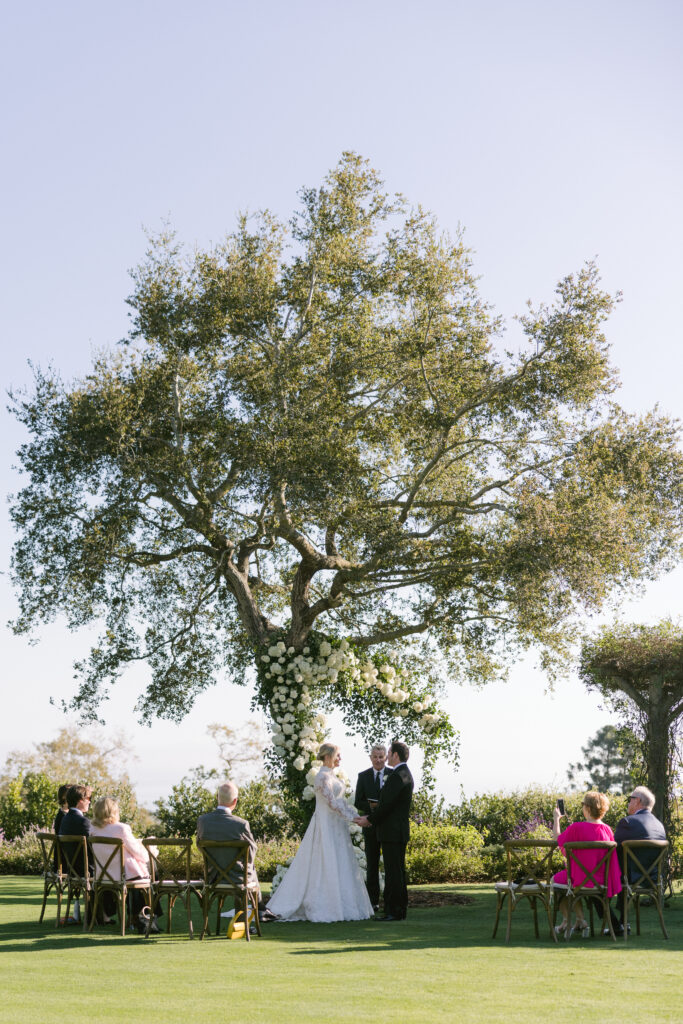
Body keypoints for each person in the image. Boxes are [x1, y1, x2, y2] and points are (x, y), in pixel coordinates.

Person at [266, 744, 374, 922]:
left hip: (338, 826)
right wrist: (354, 819)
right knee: (324, 861)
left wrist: (358, 817)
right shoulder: (322, 777)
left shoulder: (333, 777)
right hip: (325, 825)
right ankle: (326, 905)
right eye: (338, 755)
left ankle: (345, 905)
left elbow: (342, 802)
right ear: (328, 756)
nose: (340, 758)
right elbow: (332, 803)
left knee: (341, 862)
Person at [197, 781, 274, 922]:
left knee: (248, 868)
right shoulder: (241, 824)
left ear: (217, 798)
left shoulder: (202, 821)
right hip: (237, 878)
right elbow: (251, 852)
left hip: (213, 877)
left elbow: (200, 846)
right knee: (250, 868)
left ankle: (260, 909)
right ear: (235, 801)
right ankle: (258, 910)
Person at [356, 740, 414, 921]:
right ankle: (399, 909)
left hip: (392, 832)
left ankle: (393, 911)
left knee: (393, 873)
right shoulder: (404, 773)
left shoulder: (397, 776)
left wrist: (369, 819)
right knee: (398, 872)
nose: (387, 756)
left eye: (388, 753)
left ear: (395, 755)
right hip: (397, 831)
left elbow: (386, 805)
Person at [551, 790, 621, 937]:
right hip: (601, 881)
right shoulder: (608, 830)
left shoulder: (577, 828)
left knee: (556, 880)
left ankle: (570, 920)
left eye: (583, 805)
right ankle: (580, 920)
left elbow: (557, 840)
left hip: (579, 879)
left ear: (588, 808)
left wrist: (556, 819)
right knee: (567, 880)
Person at [89, 796, 157, 931]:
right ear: (114, 812)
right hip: (124, 875)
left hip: (103, 875)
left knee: (145, 870)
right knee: (151, 867)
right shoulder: (122, 828)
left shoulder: (93, 829)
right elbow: (140, 854)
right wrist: (151, 849)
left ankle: (138, 916)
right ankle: (144, 916)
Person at [609, 785, 667, 931]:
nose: (629, 802)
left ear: (638, 801)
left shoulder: (628, 822)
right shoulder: (660, 826)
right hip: (652, 878)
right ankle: (623, 923)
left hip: (630, 878)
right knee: (623, 865)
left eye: (630, 799)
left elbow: (611, 849)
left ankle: (615, 925)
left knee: (597, 877)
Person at [354, 744, 392, 910]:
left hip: (388, 826)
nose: (378, 760)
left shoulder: (393, 774)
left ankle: (390, 901)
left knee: (390, 864)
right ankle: (373, 902)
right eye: (375, 757)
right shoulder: (363, 776)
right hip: (370, 826)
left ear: (386, 758)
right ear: (370, 758)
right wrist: (372, 807)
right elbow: (358, 801)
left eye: (381, 757)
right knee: (372, 865)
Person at [58, 784, 93, 923]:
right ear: (80, 801)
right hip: (86, 870)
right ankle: (102, 914)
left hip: (72, 870)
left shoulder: (65, 819)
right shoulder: (84, 822)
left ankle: (100, 914)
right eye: (88, 799)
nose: (89, 802)